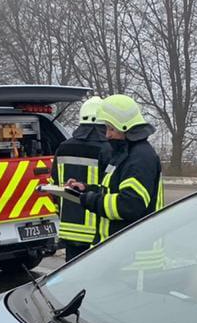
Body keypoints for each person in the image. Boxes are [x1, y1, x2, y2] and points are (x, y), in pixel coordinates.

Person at [66, 94, 163, 245]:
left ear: (124, 127)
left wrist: (91, 200)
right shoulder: (125, 153)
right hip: (121, 250)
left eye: (111, 129)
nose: (107, 135)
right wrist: (85, 188)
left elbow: (129, 205)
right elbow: (113, 191)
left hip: (135, 257)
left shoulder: (140, 158)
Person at [52, 96, 111, 261]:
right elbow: (110, 188)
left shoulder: (63, 147)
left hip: (69, 227)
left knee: (72, 278)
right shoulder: (108, 149)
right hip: (96, 229)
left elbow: (54, 185)